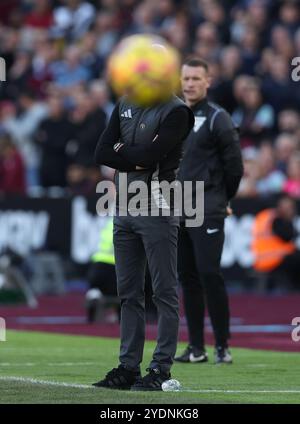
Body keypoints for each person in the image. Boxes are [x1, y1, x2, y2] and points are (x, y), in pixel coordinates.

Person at [93, 93, 194, 390]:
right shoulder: (125, 103)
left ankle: (160, 369)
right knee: (128, 293)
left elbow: (150, 157)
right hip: (124, 208)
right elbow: (101, 153)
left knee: (163, 291)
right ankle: (128, 368)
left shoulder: (176, 111)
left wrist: (124, 152)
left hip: (158, 208)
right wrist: (135, 156)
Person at [175, 57, 243, 364]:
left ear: (208, 81)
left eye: (195, 78)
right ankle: (196, 348)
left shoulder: (218, 118)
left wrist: (222, 199)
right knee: (188, 278)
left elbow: (235, 167)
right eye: (186, 78)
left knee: (209, 274)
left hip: (208, 205)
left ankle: (222, 346)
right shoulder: (174, 115)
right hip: (179, 206)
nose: (189, 84)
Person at [252, 194, 300, 289]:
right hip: (275, 259)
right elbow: (288, 236)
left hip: (260, 258)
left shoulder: (264, 215)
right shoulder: (278, 219)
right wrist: (289, 220)